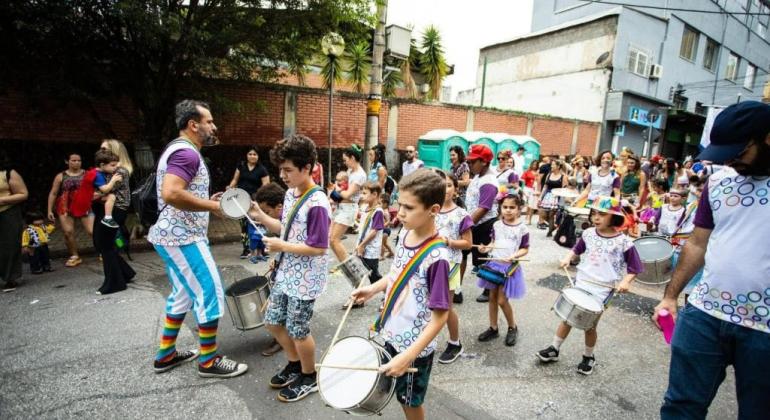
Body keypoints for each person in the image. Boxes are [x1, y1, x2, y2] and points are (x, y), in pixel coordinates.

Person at [653, 101, 770, 419]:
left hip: (764, 329)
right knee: (680, 406)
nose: (731, 161)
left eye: (739, 152)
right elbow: (697, 244)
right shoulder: (718, 183)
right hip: (704, 315)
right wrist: (670, 296)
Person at [149, 100, 248, 378]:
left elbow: (179, 191)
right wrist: (213, 207)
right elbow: (171, 193)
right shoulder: (188, 154)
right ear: (193, 125)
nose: (213, 126)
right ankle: (208, 360)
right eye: (209, 121)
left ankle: (166, 354)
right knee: (209, 291)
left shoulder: (179, 149)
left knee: (182, 293)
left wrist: (207, 200)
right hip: (182, 237)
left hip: (172, 235)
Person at [351, 168, 450, 420]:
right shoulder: (405, 233)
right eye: (399, 204)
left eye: (409, 207)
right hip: (393, 333)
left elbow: (441, 317)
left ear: (433, 210)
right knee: (397, 392)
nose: (400, 212)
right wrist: (372, 289)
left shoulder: (438, 258)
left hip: (414, 346)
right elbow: (397, 275)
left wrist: (408, 356)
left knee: (409, 400)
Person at [250, 134, 331, 403]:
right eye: (280, 169)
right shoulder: (290, 192)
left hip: (306, 277)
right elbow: (286, 230)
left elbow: (319, 247)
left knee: (298, 329)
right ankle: (295, 364)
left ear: (306, 167)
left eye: (288, 170)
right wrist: (261, 216)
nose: (282, 175)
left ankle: (309, 376)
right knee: (273, 321)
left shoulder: (318, 203)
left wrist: (281, 246)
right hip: (287, 272)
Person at [538, 196, 643, 375]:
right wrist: (567, 258)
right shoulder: (588, 233)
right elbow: (576, 249)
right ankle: (554, 348)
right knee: (568, 317)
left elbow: (635, 267)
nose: (596, 217)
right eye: (594, 213)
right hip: (582, 281)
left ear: (614, 217)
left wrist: (625, 281)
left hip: (603, 288)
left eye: (602, 214)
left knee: (590, 325)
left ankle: (588, 356)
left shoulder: (623, 241)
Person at [476, 194, 529, 347]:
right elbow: (493, 242)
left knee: (501, 300)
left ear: (519, 209)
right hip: (494, 264)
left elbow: (525, 249)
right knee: (492, 298)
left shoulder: (522, 228)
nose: (508, 210)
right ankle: (493, 328)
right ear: (500, 208)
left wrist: (514, 255)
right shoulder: (497, 225)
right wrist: (485, 248)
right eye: (505, 207)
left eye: (512, 207)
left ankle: (513, 327)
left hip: (509, 268)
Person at [434, 170, 473, 363]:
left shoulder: (461, 215)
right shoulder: (430, 210)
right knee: (428, 302)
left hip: (451, 264)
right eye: (441, 184)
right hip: (430, 264)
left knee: (446, 306)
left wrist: (449, 241)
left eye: (449, 185)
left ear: (456, 190)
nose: (445, 188)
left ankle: (455, 343)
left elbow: (467, 243)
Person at [253, 182, 286, 357]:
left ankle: (282, 340)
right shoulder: (282, 219)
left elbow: (293, 244)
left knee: (280, 308)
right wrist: (277, 258)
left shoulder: (288, 219)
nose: (264, 217)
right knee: (277, 307)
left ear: (279, 206)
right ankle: (282, 337)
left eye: (267, 212)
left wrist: (280, 251)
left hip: (293, 275)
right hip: (283, 267)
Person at [46, 153, 94, 267]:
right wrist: (49, 210)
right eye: (73, 160)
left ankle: (103, 251)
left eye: (79, 160)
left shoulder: (87, 174)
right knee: (68, 232)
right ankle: (74, 255)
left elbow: (96, 188)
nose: (77, 162)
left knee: (92, 231)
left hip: (84, 204)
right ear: (67, 161)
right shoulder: (60, 176)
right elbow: (53, 193)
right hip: (65, 205)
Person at [465, 145, 499, 303]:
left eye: (472, 162)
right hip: (474, 222)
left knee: (485, 259)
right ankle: (456, 287)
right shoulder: (480, 176)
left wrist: (466, 224)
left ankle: (489, 289)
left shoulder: (489, 182)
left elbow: (483, 208)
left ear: (484, 162)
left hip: (484, 225)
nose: (469, 165)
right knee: (465, 254)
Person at [228, 146, 270, 259]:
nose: (252, 156)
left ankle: (261, 249)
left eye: (254, 154)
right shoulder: (241, 166)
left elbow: (266, 186)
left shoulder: (262, 169)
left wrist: (258, 200)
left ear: (258, 156)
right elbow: (235, 180)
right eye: (250, 154)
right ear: (246, 155)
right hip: (241, 200)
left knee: (257, 225)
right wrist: (230, 188)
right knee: (244, 226)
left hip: (255, 201)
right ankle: (246, 249)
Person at [329, 145, 366, 265]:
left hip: (349, 209)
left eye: (345, 160)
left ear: (353, 158)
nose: (344, 163)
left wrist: (337, 190)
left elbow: (348, 194)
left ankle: (352, 269)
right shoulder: (350, 171)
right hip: (341, 207)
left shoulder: (360, 175)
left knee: (335, 240)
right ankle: (346, 267)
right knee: (331, 240)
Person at [354, 181, 385, 307]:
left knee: (373, 276)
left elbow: (374, 231)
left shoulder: (378, 211)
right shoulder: (366, 208)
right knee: (359, 273)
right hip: (362, 246)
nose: (362, 195)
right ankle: (358, 297)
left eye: (365, 193)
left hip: (371, 249)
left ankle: (389, 293)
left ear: (375, 194)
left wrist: (362, 245)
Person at [0, 154, 27, 291]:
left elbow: (23, 193)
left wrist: (3, 200)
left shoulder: (8, 173)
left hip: (7, 212)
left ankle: (10, 278)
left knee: (9, 246)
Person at [92, 149, 124, 229]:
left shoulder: (102, 172)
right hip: (91, 198)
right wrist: (113, 180)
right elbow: (105, 189)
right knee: (111, 196)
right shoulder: (97, 175)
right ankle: (108, 218)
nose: (115, 168)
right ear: (102, 165)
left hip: (96, 197)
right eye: (113, 165)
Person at [538, 160, 568, 237]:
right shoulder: (549, 174)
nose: (551, 166)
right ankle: (553, 226)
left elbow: (565, 189)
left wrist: (562, 200)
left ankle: (550, 231)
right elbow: (545, 186)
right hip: (547, 196)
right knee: (543, 214)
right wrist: (540, 197)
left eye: (553, 165)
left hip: (556, 197)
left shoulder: (563, 176)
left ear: (558, 166)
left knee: (551, 215)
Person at [521, 161, 540, 225]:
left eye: (536, 164)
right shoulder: (527, 171)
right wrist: (522, 190)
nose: (534, 166)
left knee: (531, 204)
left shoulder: (538, 172)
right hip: (526, 188)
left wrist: (538, 190)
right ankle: (526, 216)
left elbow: (539, 182)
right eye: (533, 164)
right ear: (531, 164)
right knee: (526, 203)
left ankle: (529, 219)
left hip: (534, 189)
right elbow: (522, 180)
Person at [380, 193, 395, 260]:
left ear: (385, 204)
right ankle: (391, 253)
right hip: (385, 229)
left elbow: (388, 221)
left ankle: (382, 256)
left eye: (381, 203)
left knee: (382, 243)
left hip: (385, 229)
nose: (380, 205)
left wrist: (382, 226)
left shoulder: (385, 212)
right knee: (385, 243)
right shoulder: (382, 210)